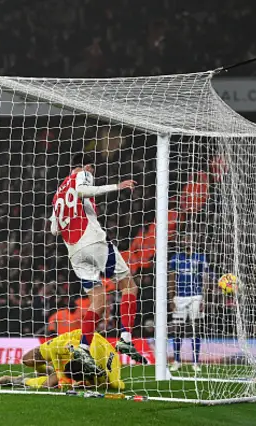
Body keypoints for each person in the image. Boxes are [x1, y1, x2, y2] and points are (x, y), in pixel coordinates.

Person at [49, 153, 146, 372]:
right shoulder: (82, 175)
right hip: (92, 241)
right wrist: (117, 186)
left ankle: (84, 347)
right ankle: (126, 338)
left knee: (98, 302)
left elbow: (54, 229)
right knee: (129, 284)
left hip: (74, 253)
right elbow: (83, 190)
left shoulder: (57, 196)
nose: (92, 173)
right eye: (91, 168)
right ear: (83, 166)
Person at [0, 329, 124, 391]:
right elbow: (55, 349)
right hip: (76, 339)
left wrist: (72, 382)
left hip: (102, 352)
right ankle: (46, 370)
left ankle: (18, 380)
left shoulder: (109, 377)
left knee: (50, 384)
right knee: (27, 360)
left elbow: (119, 385)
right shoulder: (72, 347)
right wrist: (60, 373)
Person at [168, 234, 210, 373]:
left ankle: (196, 362)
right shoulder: (175, 258)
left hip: (196, 296)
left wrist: (204, 298)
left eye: (190, 238)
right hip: (179, 297)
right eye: (185, 238)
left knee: (196, 329)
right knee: (178, 329)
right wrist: (171, 298)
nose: (187, 241)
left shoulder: (201, 258)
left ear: (194, 241)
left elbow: (205, 280)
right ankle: (176, 361)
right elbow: (172, 278)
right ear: (181, 241)